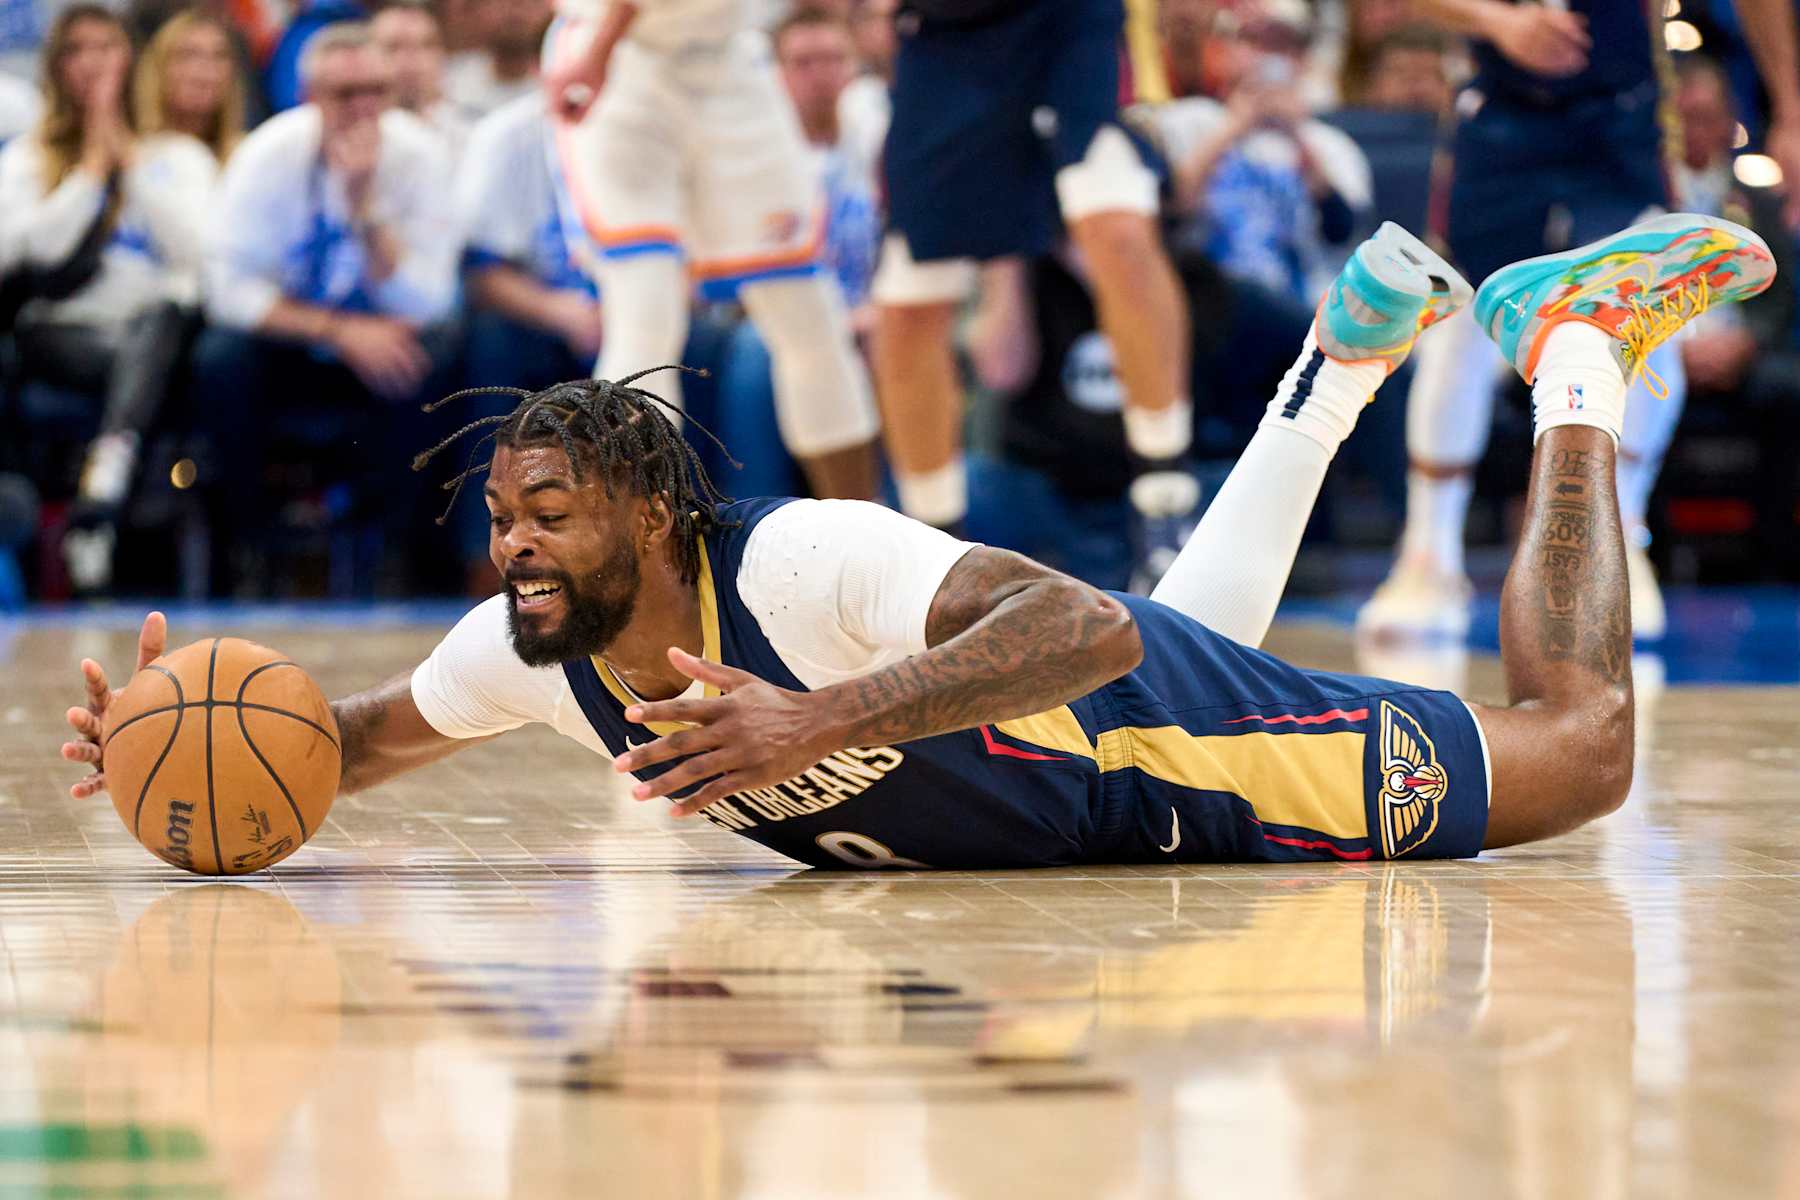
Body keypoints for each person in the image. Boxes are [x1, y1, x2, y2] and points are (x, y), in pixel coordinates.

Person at [64, 213, 1777, 867]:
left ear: (653, 515)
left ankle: (1571, 357)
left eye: (547, 512)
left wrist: (810, 718)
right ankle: (1333, 368)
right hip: (1082, 782)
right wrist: (169, 760)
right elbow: (337, 752)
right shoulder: (520, 653)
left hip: (1138, 761)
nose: (508, 543)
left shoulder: (800, 562)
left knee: (1591, 753)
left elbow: (1100, 634)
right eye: (500, 514)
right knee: (1203, 650)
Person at [1357, 0, 1800, 644]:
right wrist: (1495, 21)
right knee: (1459, 329)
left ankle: (1620, 544)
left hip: (1624, 114)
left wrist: (1789, 105)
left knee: (1647, 321)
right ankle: (1428, 556)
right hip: (1501, 113)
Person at [869, 0, 1194, 589]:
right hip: (944, 39)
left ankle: (1165, 501)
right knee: (910, 302)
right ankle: (936, 554)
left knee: (1115, 225)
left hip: (1070, 21)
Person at [538, 0, 882, 502]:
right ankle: (636, 550)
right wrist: (601, 45)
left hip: (730, 58)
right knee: (645, 318)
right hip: (619, 61)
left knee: (811, 317)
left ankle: (865, 537)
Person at [194, 21, 457, 592]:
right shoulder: (268, 155)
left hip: (383, 348)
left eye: (374, 92)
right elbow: (226, 290)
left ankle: (394, 554)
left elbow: (431, 299)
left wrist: (367, 213)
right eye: (345, 94)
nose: (364, 108)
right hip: (294, 345)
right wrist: (339, 330)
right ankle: (249, 552)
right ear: (310, 97)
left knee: (434, 354)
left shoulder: (420, 156)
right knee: (219, 358)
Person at [0, 5, 218, 593]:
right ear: (56, 66)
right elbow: (34, 253)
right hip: (62, 335)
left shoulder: (177, 157)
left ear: (133, 61)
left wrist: (133, 166)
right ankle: (108, 476)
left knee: (164, 316)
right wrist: (92, 170)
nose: (94, 63)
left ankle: (103, 487)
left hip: (153, 336)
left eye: (108, 47)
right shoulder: (26, 158)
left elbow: (201, 258)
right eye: (78, 49)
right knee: (140, 347)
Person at [1155, 1, 1373, 306]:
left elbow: (1342, 234)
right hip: (1207, 305)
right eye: (1253, 40)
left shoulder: (1333, 145)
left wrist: (1296, 137)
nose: (1267, 55)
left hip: (1302, 312)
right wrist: (1234, 127)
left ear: (1303, 59)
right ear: (1224, 50)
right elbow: (1170, 212)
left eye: (1282, 44)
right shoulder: (1187, 122)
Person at [370, 0, 468, 157]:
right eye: (394, 47)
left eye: (425, 45)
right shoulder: (346, 139)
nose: (411, 60)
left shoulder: (472, 133)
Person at [443, 0, 547, 124]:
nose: (516, 13)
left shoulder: (562, 85)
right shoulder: (448, 81)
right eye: (503, 2)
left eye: (530, 3)